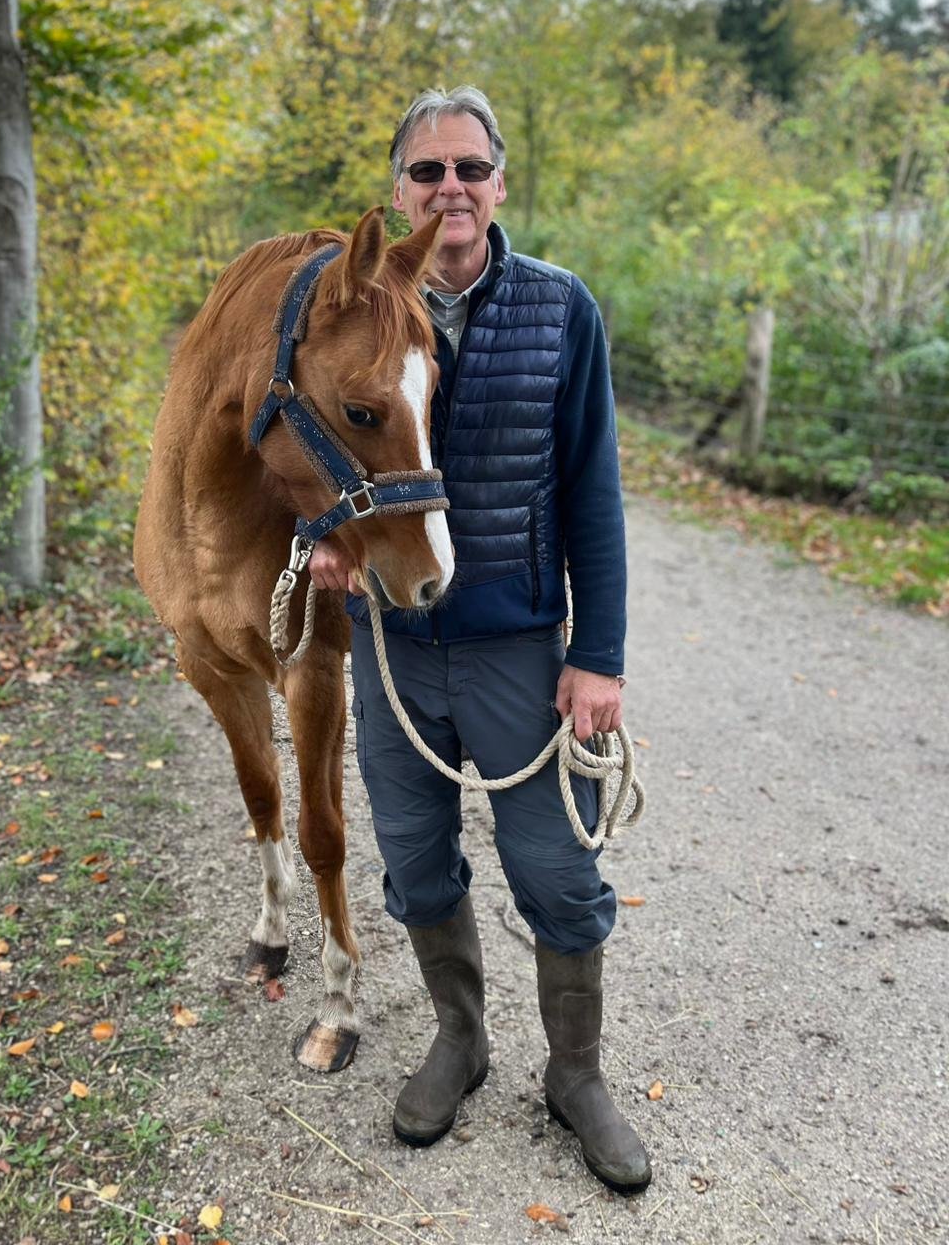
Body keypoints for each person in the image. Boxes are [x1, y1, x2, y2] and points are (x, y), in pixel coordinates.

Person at [307, 86, 651, 1192]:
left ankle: (577, 1073)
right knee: (413, 862)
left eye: (468, 167)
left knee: (557, 867)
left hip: (518, 647)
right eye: (425, 172)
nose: (447, 188)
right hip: (395, 649)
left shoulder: (562, 308)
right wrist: (326, 535)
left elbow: (594, 488)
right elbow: (301, 447)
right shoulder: (351, 309)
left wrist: (597, 654)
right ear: (396, 193)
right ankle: (460, 1042)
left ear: (500, 185)